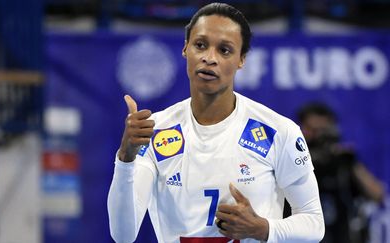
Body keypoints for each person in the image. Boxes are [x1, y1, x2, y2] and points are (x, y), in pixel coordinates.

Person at [108, 3, 325, 242]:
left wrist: (262, 229)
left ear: (241, 59)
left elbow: (314, 223)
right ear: (185, 49)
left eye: (224, 50)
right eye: (200, 45)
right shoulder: (155, 131)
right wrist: (126, 159)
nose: (209, 58)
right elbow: (123, 236)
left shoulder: (279, 131)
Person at [296, 103, 385, 243]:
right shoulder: (291, 162)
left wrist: (352, 163)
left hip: (342, 236)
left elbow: (377, 194)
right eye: (313, 130)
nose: (319, 137)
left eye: (323, 131)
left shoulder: (342, 163)